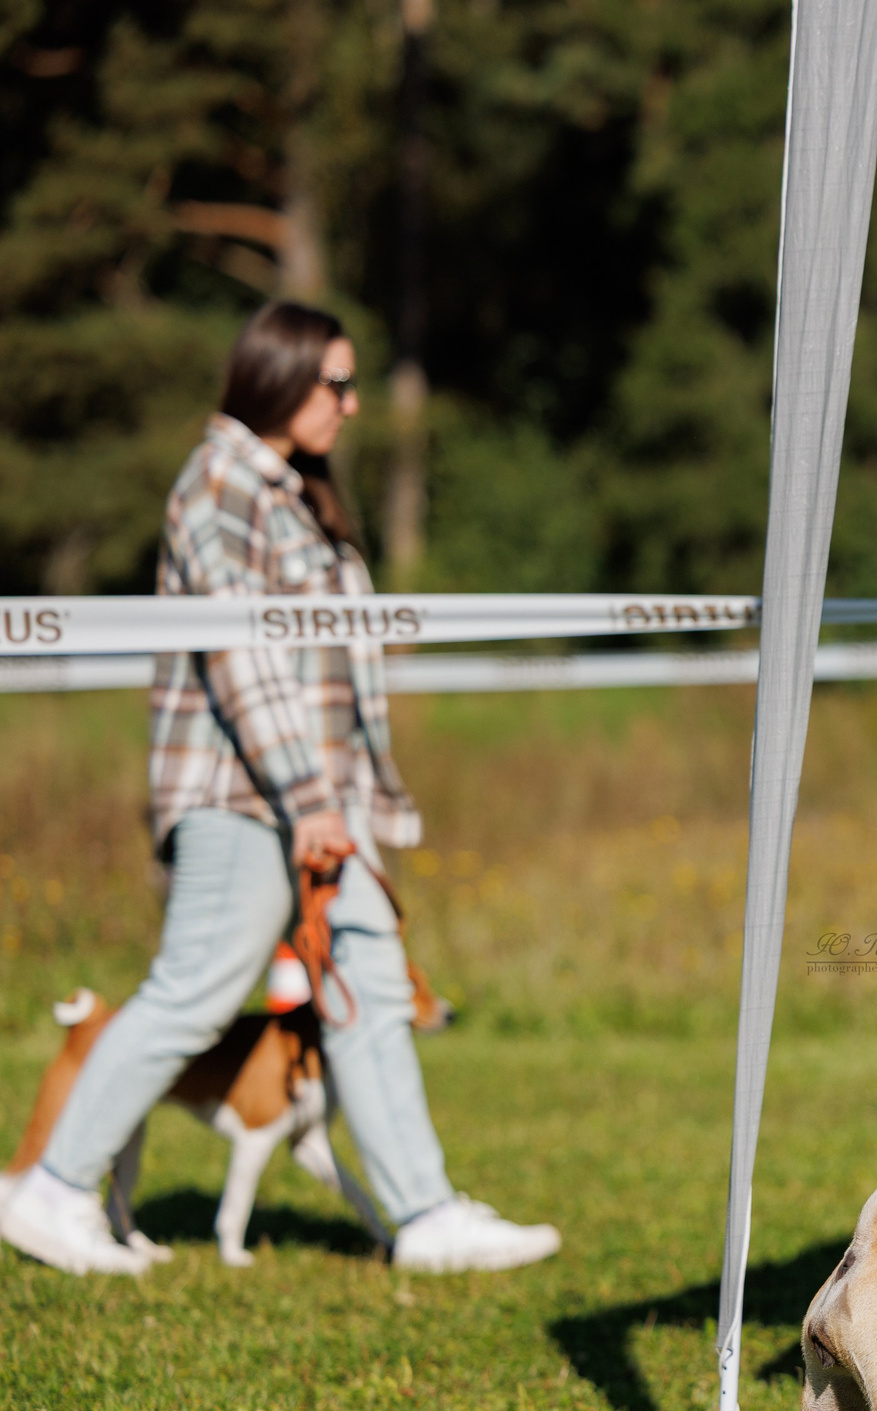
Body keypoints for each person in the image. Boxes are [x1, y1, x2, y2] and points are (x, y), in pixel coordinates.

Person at [0, 302, 561, 1278]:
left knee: (372, 982)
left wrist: (340, 802)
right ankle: (49, 1188)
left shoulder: (294, 490)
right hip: (243, 794)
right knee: (199, 989)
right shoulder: (220, 480)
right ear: (279, 377)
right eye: (334, 384)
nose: (350, 403)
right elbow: (242, 656)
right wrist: (309, 800)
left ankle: (424, 1215)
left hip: (313, 801)